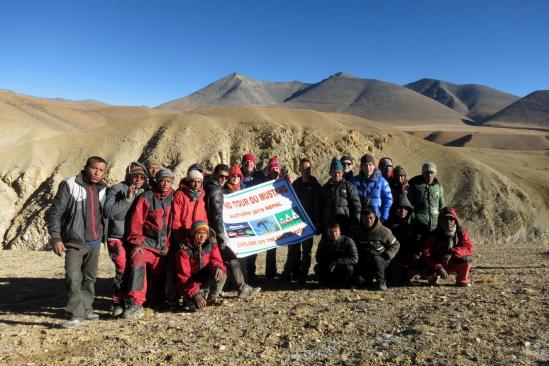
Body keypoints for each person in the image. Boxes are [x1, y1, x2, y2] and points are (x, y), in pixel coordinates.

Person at [46, 156, 108, 328]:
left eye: (101, 170)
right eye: (94, 168)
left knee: (89, 278)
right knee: (73, 277)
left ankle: (87, 309)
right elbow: (54, 213)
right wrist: (56, 238)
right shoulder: (70, 185)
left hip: (95, 242)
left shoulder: (103, 189)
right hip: (74, 241)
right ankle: (75, 313)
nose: (97, 173)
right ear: (86, 167)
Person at [124, 168, 175, 318]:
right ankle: (135, 302)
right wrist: (137, 243)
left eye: (168, 180)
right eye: (162, 180)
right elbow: (136, 223)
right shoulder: (146, 197)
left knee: (168, 270)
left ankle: (160, 300)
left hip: (169, 246)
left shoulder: (176, 196)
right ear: (157, 181)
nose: (165, 183)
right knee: (137, 259)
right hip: (149, 244)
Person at [204, 164, 260, 298]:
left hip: (208, 232)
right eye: (221, 176)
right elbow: (217, 215)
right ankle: (241, 289)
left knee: (221, 261)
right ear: (215, 174)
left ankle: (215, 290)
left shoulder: (209, 187)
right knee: (231, 258)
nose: (223, 179)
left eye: (225, 177)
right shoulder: (216, 191)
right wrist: (221, 234)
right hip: (215, 233)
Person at [103, 162, 148, 317]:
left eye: (142, 177)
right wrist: (127, 200)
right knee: (122, 268)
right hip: (117, 236)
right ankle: (117, 302)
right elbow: (109, 212)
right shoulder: (117, 189)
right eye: (135, 176)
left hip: (134, 238)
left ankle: (129, 301)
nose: (138, 179)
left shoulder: (143, 192)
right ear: (130, 176)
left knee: (133, 269)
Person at [281, 158, 321, 283]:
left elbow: (319, 206)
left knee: (307, 251)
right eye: (303, 168)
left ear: (311, 169)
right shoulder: (296, 185)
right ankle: (289, 273)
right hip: (295, 223)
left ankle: (303, 275)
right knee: (293, 250)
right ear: (299, 170)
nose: (305, 170)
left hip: (309, 224)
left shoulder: (315, 185)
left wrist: (317, 223)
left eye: (308, 168)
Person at [175, 221, 227, 311]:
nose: (202, 236)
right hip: (187, 283)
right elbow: (184, 276)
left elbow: (216, 259)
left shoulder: (211, 243)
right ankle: (192, 298)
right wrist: (196, 294)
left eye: (205, 233)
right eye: (199, 233)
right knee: (194, 308)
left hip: (203, 276)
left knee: (222, 275)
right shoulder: (183, 250)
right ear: (193, 234)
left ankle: (212, 298)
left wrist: (218, 267)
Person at [421, 207, 474, 287]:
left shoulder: (461, 232)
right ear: (440, 221)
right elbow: (426, 253)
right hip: (438, 264)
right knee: (423, 266)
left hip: (453, 262)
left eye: (451, 219)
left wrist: (451, 252)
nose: (448, 222)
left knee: (467, 258)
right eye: (445, 219)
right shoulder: (434, 235)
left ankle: (461, 279)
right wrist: (438, 267)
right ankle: (433, 277)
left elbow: (468, 247)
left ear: (455, 220)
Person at [354, 206, 400, 290]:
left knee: (377, 259)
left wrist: (388, 254)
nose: (369, 221)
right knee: (360, 282)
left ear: (375, 217)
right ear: (362, 218)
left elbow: (396, 244)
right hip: (366, 261)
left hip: (381, 260)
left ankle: (381, 282)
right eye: (366, 218)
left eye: (371, 218)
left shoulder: (384, 231)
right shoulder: (359, 231)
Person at [320, 157, 361, 236]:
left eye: (339, 172)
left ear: (342, 173)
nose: (336, 174)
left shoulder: (349, 187)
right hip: (328, 227)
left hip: (345, 226)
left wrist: (355, 221)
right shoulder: (325, 188)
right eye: (334, 172)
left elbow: (356, 205)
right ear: (330, 173)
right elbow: (320, 207)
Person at [408, 162, 445, 247]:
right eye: (427, 173)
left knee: (434, 246)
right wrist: (414, 218)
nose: (429, 175)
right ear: (423, 174)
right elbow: (409, 204)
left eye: (432, 173)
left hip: (435, 224)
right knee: (419, 246)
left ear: (435, 174)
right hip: (419, 223)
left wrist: (442, 219)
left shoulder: (438, 187)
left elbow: (441, 205)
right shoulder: (415, 186)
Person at [384, 194, 418, 285]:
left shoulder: (411, 228)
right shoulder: (387, 227)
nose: (403, 211)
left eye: (405, 208)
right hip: (391, 259)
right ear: (394, 209)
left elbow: (414, 246)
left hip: (406, 259)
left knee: (416, 259)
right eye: (400, 208)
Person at [350, 154, 393, 222]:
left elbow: (388, 199)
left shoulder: (382, 181)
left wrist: (383, 217)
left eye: (370, 164)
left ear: (374, 166)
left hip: (376, 218)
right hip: (359, 219)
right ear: (361, 167)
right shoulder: (354, 181)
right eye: (365, 165)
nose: (368, 167)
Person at [314, 223, 358, 288]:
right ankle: (326, 283)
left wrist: (337, 262)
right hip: (329, 267)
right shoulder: (323, 241)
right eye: (331, 232)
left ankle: (344, 284)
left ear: (340, 232)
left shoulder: (348, 241)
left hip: (342, 267)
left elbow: (354, 259)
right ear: (328, 232)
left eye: (335, 231)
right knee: (317, 267)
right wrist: (329, 264)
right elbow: (318, 258)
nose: (334, 234)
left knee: (349, 268)